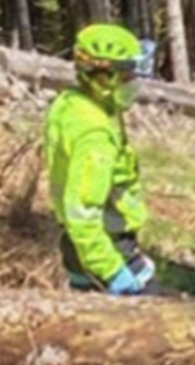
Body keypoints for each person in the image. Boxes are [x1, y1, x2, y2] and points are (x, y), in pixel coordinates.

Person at [46, 22, 156, 294]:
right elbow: (82, 210)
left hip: (78, 245)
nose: (134, 83)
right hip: (106, 247)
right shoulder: (94, 134)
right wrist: (112, 270)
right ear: (105, 78)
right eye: (128, 75)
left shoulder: (72, 104)